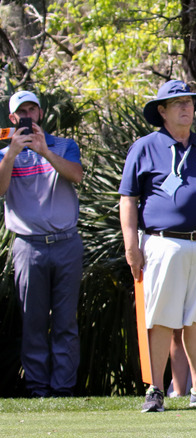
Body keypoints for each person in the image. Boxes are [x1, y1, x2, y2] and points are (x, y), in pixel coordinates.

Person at [119, 79, 196, 412]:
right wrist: (131, 245)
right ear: (162, 111)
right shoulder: (145, 146)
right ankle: (155, 389)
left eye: (190, 102)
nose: (187, 108)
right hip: (162, 244)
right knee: (160, 319)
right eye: (178, 103)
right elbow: (128, 199)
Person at [0, 91, 83, 397]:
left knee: (65, 321)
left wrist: (45, 151)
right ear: (12, 119)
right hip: (28, 246)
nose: (28, 115)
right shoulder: (3, 152)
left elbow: (76, 176)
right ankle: (38, 389)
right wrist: (11, 153)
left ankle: (63, 388)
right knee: (33, 322)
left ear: (40, 112)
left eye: (32, 109)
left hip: (66, 244)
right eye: (21, 111)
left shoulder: (63, 146)